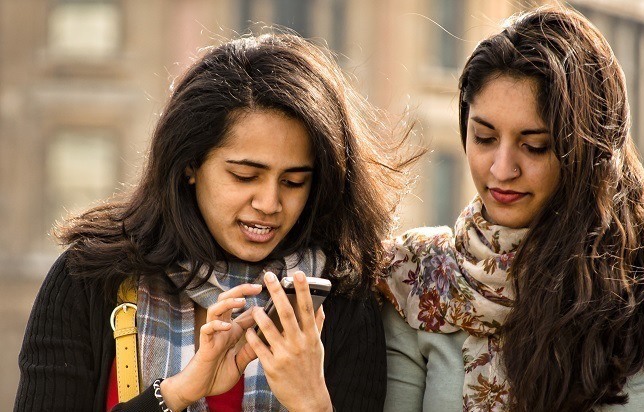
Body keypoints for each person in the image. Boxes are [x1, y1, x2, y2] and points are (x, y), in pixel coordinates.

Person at [15, 32, 417, 412]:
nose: (270, 203)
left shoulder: (340, 305)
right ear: (190, 164)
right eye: (244, 176)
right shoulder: (89, 280)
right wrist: (175, 394)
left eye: (294, 181)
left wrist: (312, 403)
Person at [379, 5, 644, 412]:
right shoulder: (417, 280)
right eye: (484, 137)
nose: (502, 169)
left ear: (588, 150)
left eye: (534, 145)